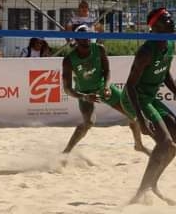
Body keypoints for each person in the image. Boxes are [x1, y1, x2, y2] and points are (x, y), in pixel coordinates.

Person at [121, 8, 176, 204]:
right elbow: (130, 85)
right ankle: (141, 192)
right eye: (165, 20)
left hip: (149, 97)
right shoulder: (146, 51)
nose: (171, 21)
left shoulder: (170, 44)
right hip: (134, 98)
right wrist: (140, 118)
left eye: (171, 18)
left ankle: (152, 182)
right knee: (164, 142)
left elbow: (165, 73)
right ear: (154, 27)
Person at [61, 25, 150, 156]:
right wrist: (85, 97)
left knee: (132, 112)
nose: (86, 41)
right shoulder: (69, 60)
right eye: (83, 38)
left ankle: (139, 145)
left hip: (103, 88)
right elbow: (67, 89)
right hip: (85, 93)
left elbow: (107, 71)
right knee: (88, 123)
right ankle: (66, 152)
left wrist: (107, 86)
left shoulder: (99, 49)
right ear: (76, 40)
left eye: (88, 38)